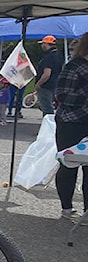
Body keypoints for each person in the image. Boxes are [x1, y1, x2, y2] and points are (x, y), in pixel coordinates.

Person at [53, 33, 88, 223]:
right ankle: (67, 208)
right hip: (70, 122)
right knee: (69, 165)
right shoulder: (73, 67)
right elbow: (63, 95)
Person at [34, 35, 63, 116]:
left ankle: (48, 125)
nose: (42, 46)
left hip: (45, 86)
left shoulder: (49, 57)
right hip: (54, 84)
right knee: (49, 105)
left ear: (46, 44)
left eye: (43, 44)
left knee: (46, 108)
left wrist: (38, 84)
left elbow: (47, 74)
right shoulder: (58, 55)